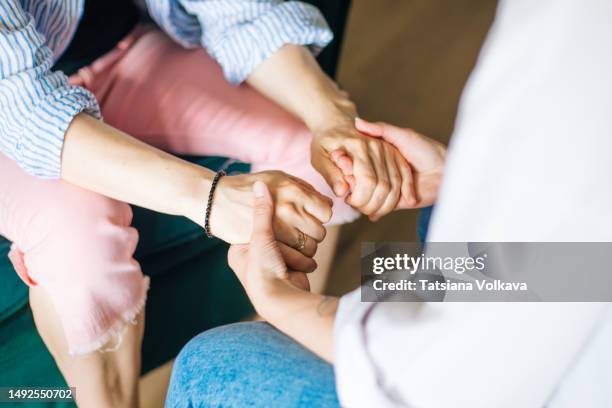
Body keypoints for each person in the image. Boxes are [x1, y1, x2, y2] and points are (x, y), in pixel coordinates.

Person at [166, 0, 612, 406]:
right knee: (395, 265)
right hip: (581, 290)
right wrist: (457, 179)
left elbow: (436, 382)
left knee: (213, 364)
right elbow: (583, 261)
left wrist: (280, 301)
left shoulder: (568, 44)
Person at [0, 1, 420, 407]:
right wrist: (209, 197)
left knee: (320, 161)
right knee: (81, 244)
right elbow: (27, 112)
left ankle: (285, 347)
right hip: (15, 115)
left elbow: (237, 9)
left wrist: (332, 116)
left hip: (120, 54)